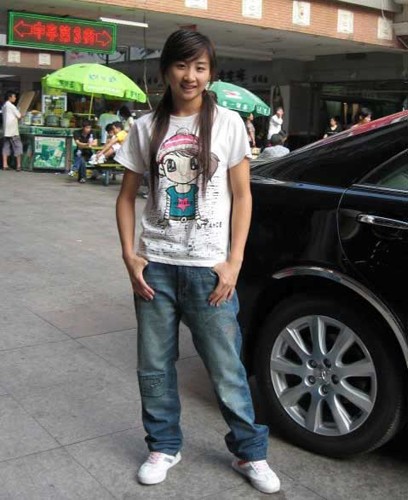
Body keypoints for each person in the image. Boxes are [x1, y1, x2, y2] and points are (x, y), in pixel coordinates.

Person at [115, 29, 280, 495]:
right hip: (156, 267)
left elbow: (243, 196)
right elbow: (126, 198)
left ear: (210, 73)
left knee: (226, 369)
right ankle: (164, 446)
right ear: (166, 70)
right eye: (182, 65)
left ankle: (250, 452)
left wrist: (234, 262)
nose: (191, 76)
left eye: (200, 67)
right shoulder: (146, 128)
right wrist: (129, 255)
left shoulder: (228, 124)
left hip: (209, 270)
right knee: (154, 367)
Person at [2, 90, 23, 171]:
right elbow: (19, 116)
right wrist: (22, 114)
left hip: (6, 130)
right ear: (9, 97)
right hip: (13, 130)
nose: (15, 98)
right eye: (14, 96)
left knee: (6, 146)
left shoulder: (4, 106)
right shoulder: (11, 106)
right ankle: (18, 165)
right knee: (18, 146)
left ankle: (5, 165)